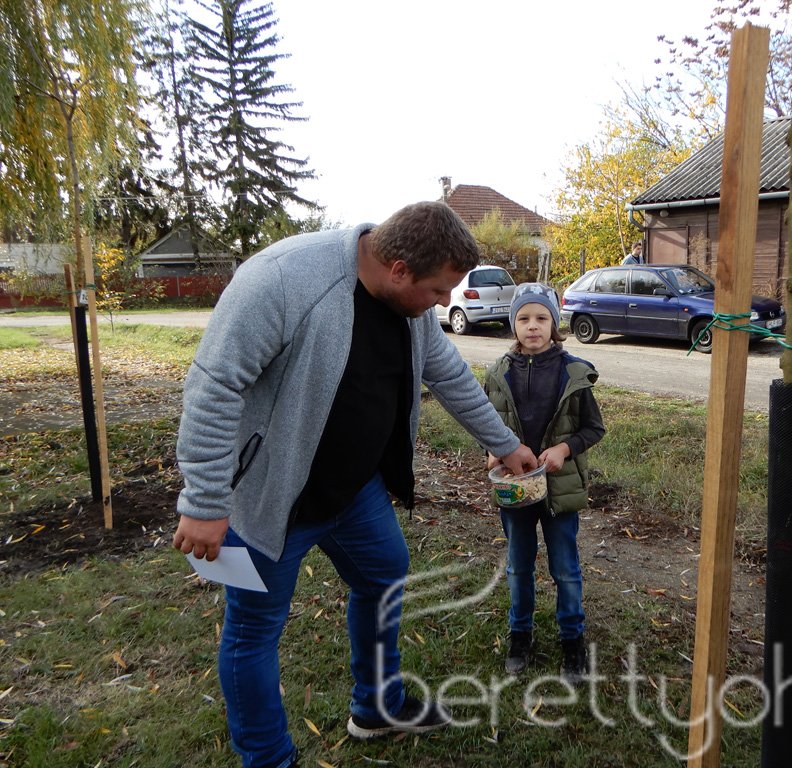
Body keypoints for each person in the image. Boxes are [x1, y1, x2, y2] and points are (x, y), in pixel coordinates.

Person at [172, 202, 538, 768]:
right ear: (398, 269)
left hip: (355, 489)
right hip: (272, 495)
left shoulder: (411, 306)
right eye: (438, 290)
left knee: (384, 578)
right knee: (254, 630)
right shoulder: (282, 280)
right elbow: (214, 386)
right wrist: (204, 500)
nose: (445, 301)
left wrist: (504, 443)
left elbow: (447, 373)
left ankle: (376, 707)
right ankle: (268, 759)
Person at [482, 282, 606, 682]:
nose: (532, 326)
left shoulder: (573, 373)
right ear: (512, 324)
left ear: (554, 324)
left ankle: (572, 640)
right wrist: (491, 450)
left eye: (541, 318)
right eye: (523, 318)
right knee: (518, 566)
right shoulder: (498, 373)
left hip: (559, 489)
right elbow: (485, 424)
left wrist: (564, 449)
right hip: (515, 488)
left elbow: (594, 428)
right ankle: (520, 635)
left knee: (565, 568)